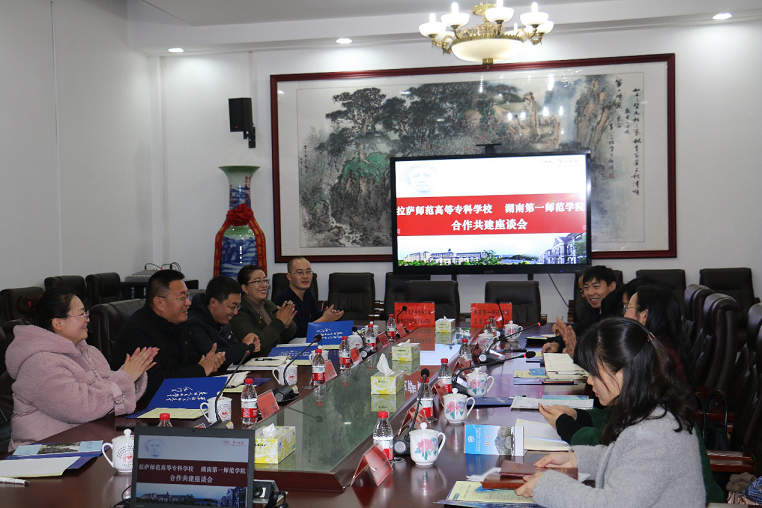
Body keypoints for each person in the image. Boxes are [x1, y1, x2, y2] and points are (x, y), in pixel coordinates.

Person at [517, 318, 704, 507]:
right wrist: (576, 459)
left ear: (622, 372)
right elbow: (628, 458)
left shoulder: (654, 434)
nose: (589, 380)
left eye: (594, 373)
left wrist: (547, 486)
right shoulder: (649, 407)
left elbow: (611, 505)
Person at [5, 287, 157, 451]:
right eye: (81, 314)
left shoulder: (89, 351)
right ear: (58, 323)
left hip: (82, 443)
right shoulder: (40, 364)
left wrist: (133, 377)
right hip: (43, 452)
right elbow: (82, 408)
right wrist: (125, 377)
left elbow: (111, 401)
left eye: (86, 313)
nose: (87, 319)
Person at [109, 270, 226, 400]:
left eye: (187, 297)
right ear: (159, 303)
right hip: (143, 406)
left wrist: (207, 362)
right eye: (182, 298)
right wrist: (200, 370)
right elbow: (153, 384)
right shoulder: (136, 332)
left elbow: (187, 363)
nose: (188, 302)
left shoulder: (176, 324)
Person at [543, 265, 622, 356]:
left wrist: (570, 339)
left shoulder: (620, 311)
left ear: (612, 286)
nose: (590, 293)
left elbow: (604, 346)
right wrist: (557, 344)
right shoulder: (594, 310)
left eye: (596, 286)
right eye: (586, 288)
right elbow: (580, 331)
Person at [183, 275, 260, 366]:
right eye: (232, 307)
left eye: (238, 307)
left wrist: (252, 347)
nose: (235, 312)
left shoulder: (222, 319)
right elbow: (213, 357)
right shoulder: (194, 324)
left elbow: (233, 353)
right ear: (213, 302)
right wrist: (245, 347)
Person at [231, 265, 297, 357]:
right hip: (255, 360)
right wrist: (279, 322)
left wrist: (286, 325)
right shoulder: (239, 311)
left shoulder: (267, 304)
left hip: (276, 356)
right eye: (258, 281)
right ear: (245, 288)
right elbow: (256, 345)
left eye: (265, 281)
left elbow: (284, 336)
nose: (264, 285)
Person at [272, 257, 344, 337]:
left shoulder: (307, 295)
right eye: (300, 272)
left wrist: (328, 315)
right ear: (289, 276)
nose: (305, 276)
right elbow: (295, 332)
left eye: (308, 272)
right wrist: (324, 319)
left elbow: (315, 317)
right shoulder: (283, 300)